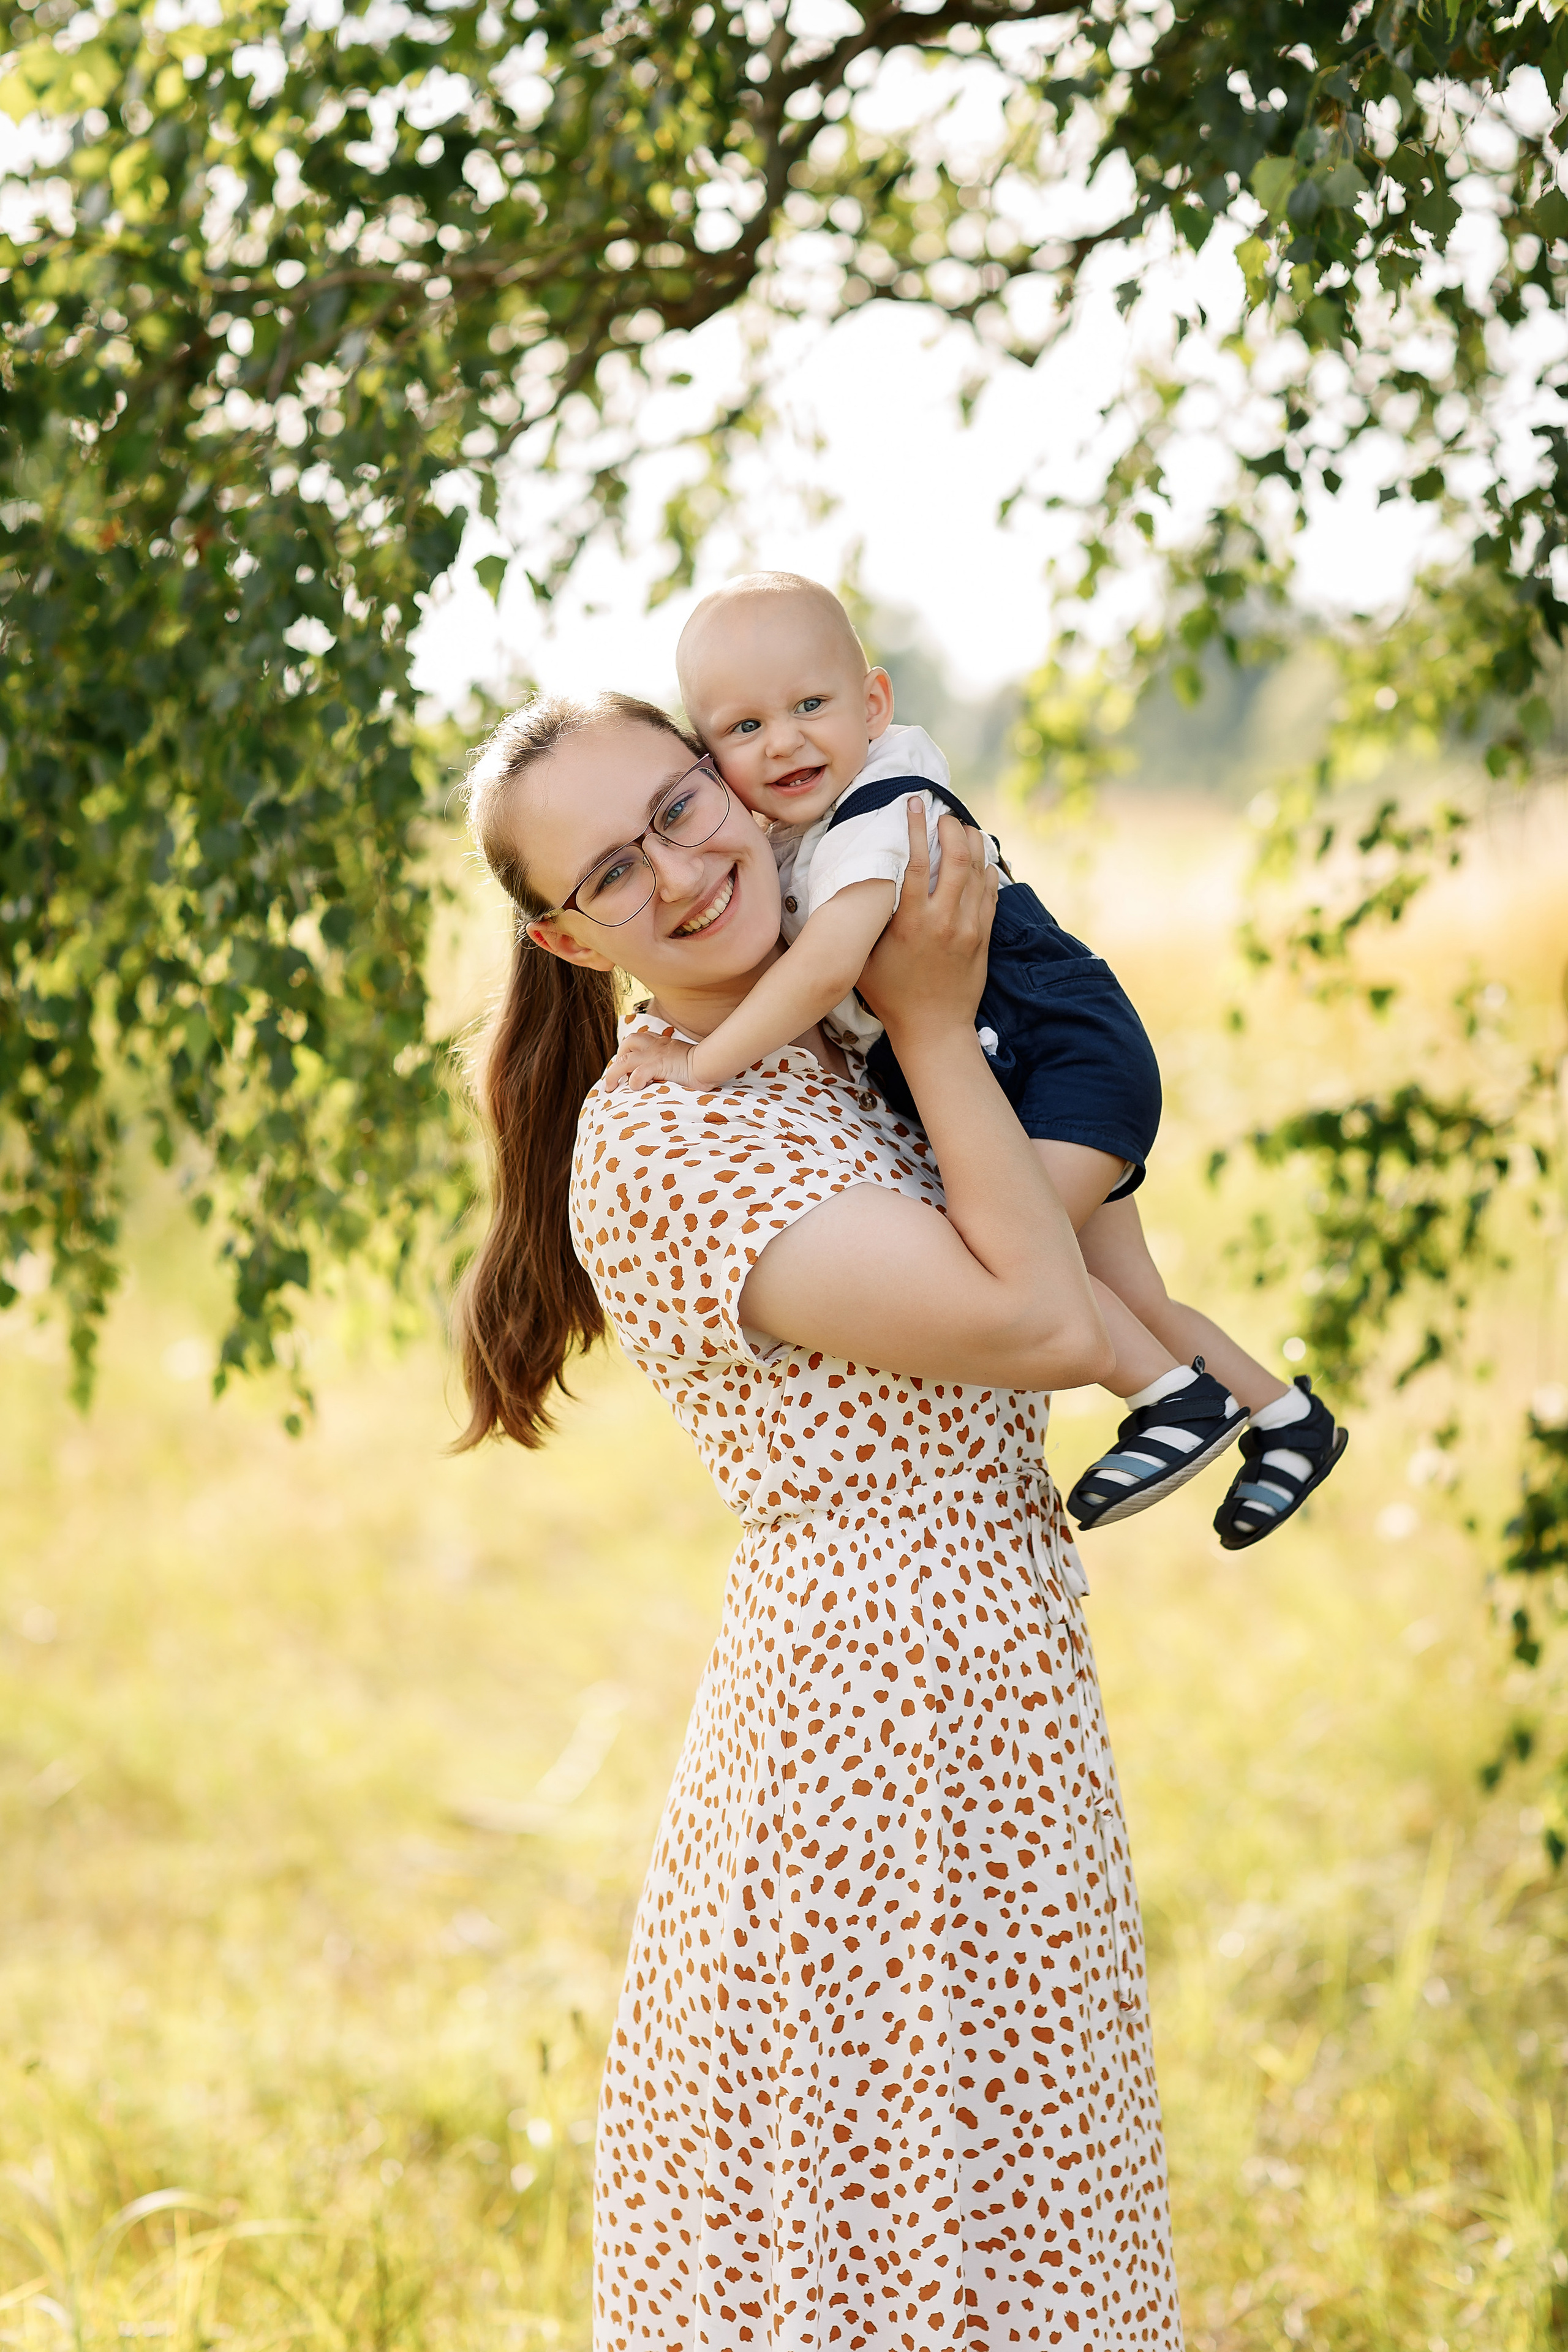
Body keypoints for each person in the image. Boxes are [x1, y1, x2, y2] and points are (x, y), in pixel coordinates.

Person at [455, 688, 1186, 2348]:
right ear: (571, 946)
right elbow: (1047, 1325)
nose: (680, 872)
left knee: (1021, 2215)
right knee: (901, 2246)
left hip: (992, 1698)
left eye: (678, 807)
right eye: (611, 876)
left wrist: (918, 1001)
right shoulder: (670, 1134)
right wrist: (936, 1018)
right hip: (871, 1742)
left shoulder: (829, 1048)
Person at [605, 573, 1347, 1549]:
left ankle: (1172, 1400)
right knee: (1133, 1290)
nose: (782, 741)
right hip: (1020, 1071)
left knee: (1002, 1245)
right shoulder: (799, 833)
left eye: (810, 706)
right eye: (744, 729)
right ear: (710, 755)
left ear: (874, 705)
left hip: (1051, 1056)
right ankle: (1289, 1426)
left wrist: (702, 1065)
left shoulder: (884, 804)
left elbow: (828, 965)